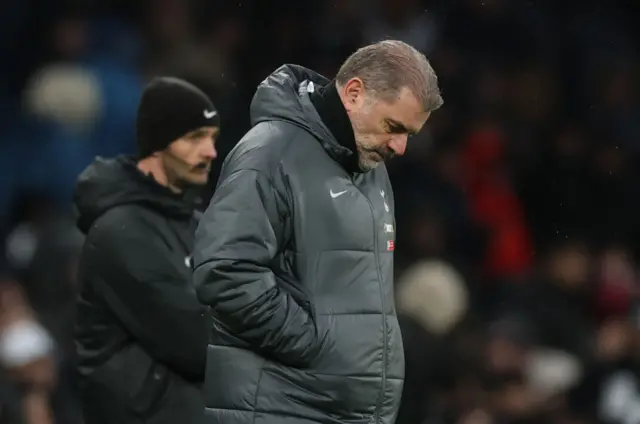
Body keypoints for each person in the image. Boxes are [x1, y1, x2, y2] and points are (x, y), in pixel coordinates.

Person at [193, 40, 443, 424]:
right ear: (354, 93)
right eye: (394, 127)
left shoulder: (371, 168)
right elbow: (225, 270)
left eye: (410, 133)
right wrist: (314, 345)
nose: (400, 146)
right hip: (280, 409)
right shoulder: (269, 152)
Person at [73, 77, 219, 424]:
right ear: (157, 143)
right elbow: (198, 342)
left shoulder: (196, 222)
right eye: (195, 137)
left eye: (212, 138)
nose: (210, 152)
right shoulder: (120, 232)